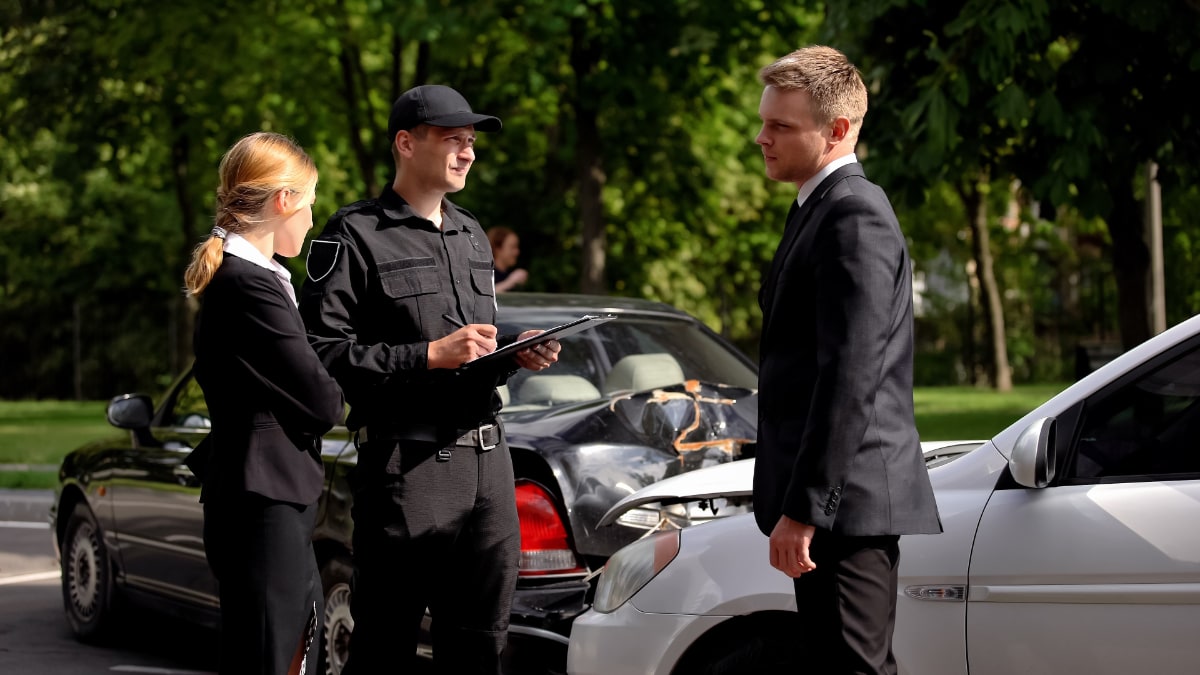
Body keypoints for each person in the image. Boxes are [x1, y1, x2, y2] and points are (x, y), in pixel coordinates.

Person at [298, 84, 560, 674]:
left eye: (470, 142)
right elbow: (322, 351)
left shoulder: (471, 234)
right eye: (453, 140)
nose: (467, 152)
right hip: (407, 469)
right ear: (406, 143)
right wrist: (424, 357)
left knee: (480, 643)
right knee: (386, 645)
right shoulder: (353, 236)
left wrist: (514, 351)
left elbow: (472, 345)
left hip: (489, 467)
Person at [751, 45, 942, 675]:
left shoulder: (854, 214)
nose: (761, 138)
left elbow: (850, 376)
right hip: (836, 501)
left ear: (837, 130)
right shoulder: (818, 206)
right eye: (764, 122)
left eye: (780, 126)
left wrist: (805, 509)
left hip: (844, 506)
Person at [183, 131, 346, 675]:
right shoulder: (248, 284)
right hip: (264, 500)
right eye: (311, 203)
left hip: (261, 495)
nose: (311, 220)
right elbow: (323, 403)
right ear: (284, 201)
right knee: (276, 658)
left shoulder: (248, 278)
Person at [486, 226, 528, 292]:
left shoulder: (508, 275)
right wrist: (510, 282)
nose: (517, 252)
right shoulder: (483, 273)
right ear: (497, 249)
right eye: (512, 247)